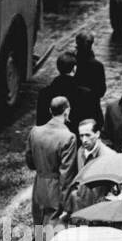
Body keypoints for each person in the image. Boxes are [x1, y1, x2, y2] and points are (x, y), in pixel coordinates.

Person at [25, 95, 77, 226]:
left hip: (39, 185)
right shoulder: (68, 137)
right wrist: (68, 206)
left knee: (38, 223)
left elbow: (30, 163)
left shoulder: (35, 132)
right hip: (55, 189)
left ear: (50, 111)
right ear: (67, 111)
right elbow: (66, 174)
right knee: (54, 229)